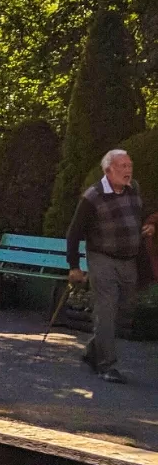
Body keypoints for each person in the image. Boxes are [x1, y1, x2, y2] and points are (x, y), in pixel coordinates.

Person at [66, 149, 156, 384]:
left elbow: (137, 216)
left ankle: (92, 352)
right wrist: (74, 266)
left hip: (129, 260)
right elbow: (74, 232)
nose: (128, 170)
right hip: (102, 258)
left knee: (123, 309)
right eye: (123, 166)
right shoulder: (93, 196)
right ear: (108, 171)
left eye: (130, 165)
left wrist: (147, 228)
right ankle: (106, 366)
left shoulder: (133, 188)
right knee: (106, 311)